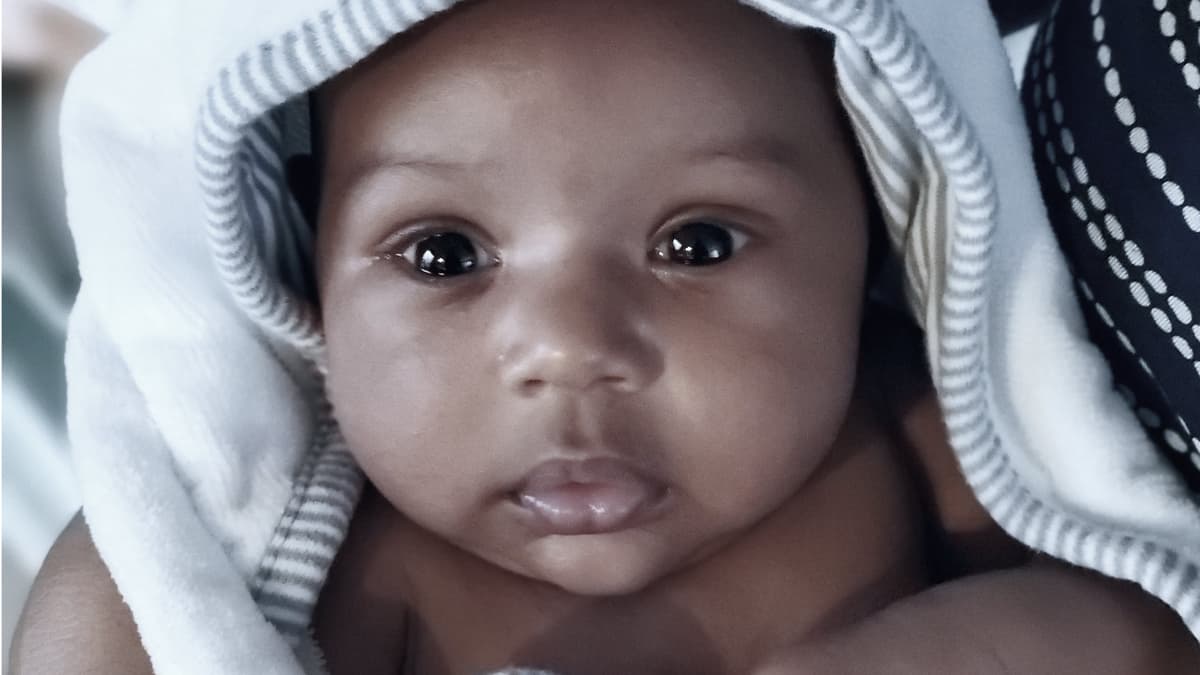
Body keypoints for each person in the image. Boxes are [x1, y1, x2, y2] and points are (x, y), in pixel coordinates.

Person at [11, 0, 1200, 673]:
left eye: (699, 242)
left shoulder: (900, 419)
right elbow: (122, 614)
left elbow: (1147, 620)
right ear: (305, 270)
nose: (570, 345)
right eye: (444, 255)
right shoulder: (350, 562)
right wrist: (142, 547)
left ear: (876, 228)